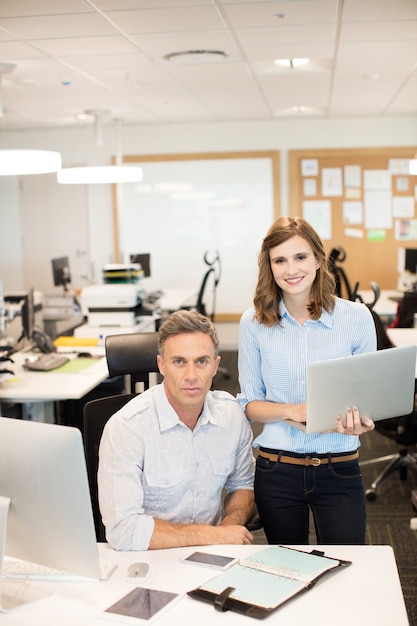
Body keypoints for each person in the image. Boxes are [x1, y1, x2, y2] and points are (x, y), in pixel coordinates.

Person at [237, 216, 377, 545]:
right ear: (269, 267)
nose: (291, 269)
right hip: (277, 470)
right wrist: (292, 411)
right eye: (279, 260)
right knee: (287, 572)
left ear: (317, 259)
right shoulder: (253, 323)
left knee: (348, 568)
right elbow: (249, 405)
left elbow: (368, 397)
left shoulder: (356, 318)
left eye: (300, 257)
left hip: (339, 468)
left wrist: (361, 421)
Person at [98, 309, 255, 551]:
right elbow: (123, 531)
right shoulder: (127, 428)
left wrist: (228, 525)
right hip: (149, 559)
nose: (191, 376)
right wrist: (212, 536)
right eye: (179, 362)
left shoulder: (231, 415)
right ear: (161, 365)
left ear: (215, 365)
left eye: (201, 361)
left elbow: (243, 485)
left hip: (213, 555)